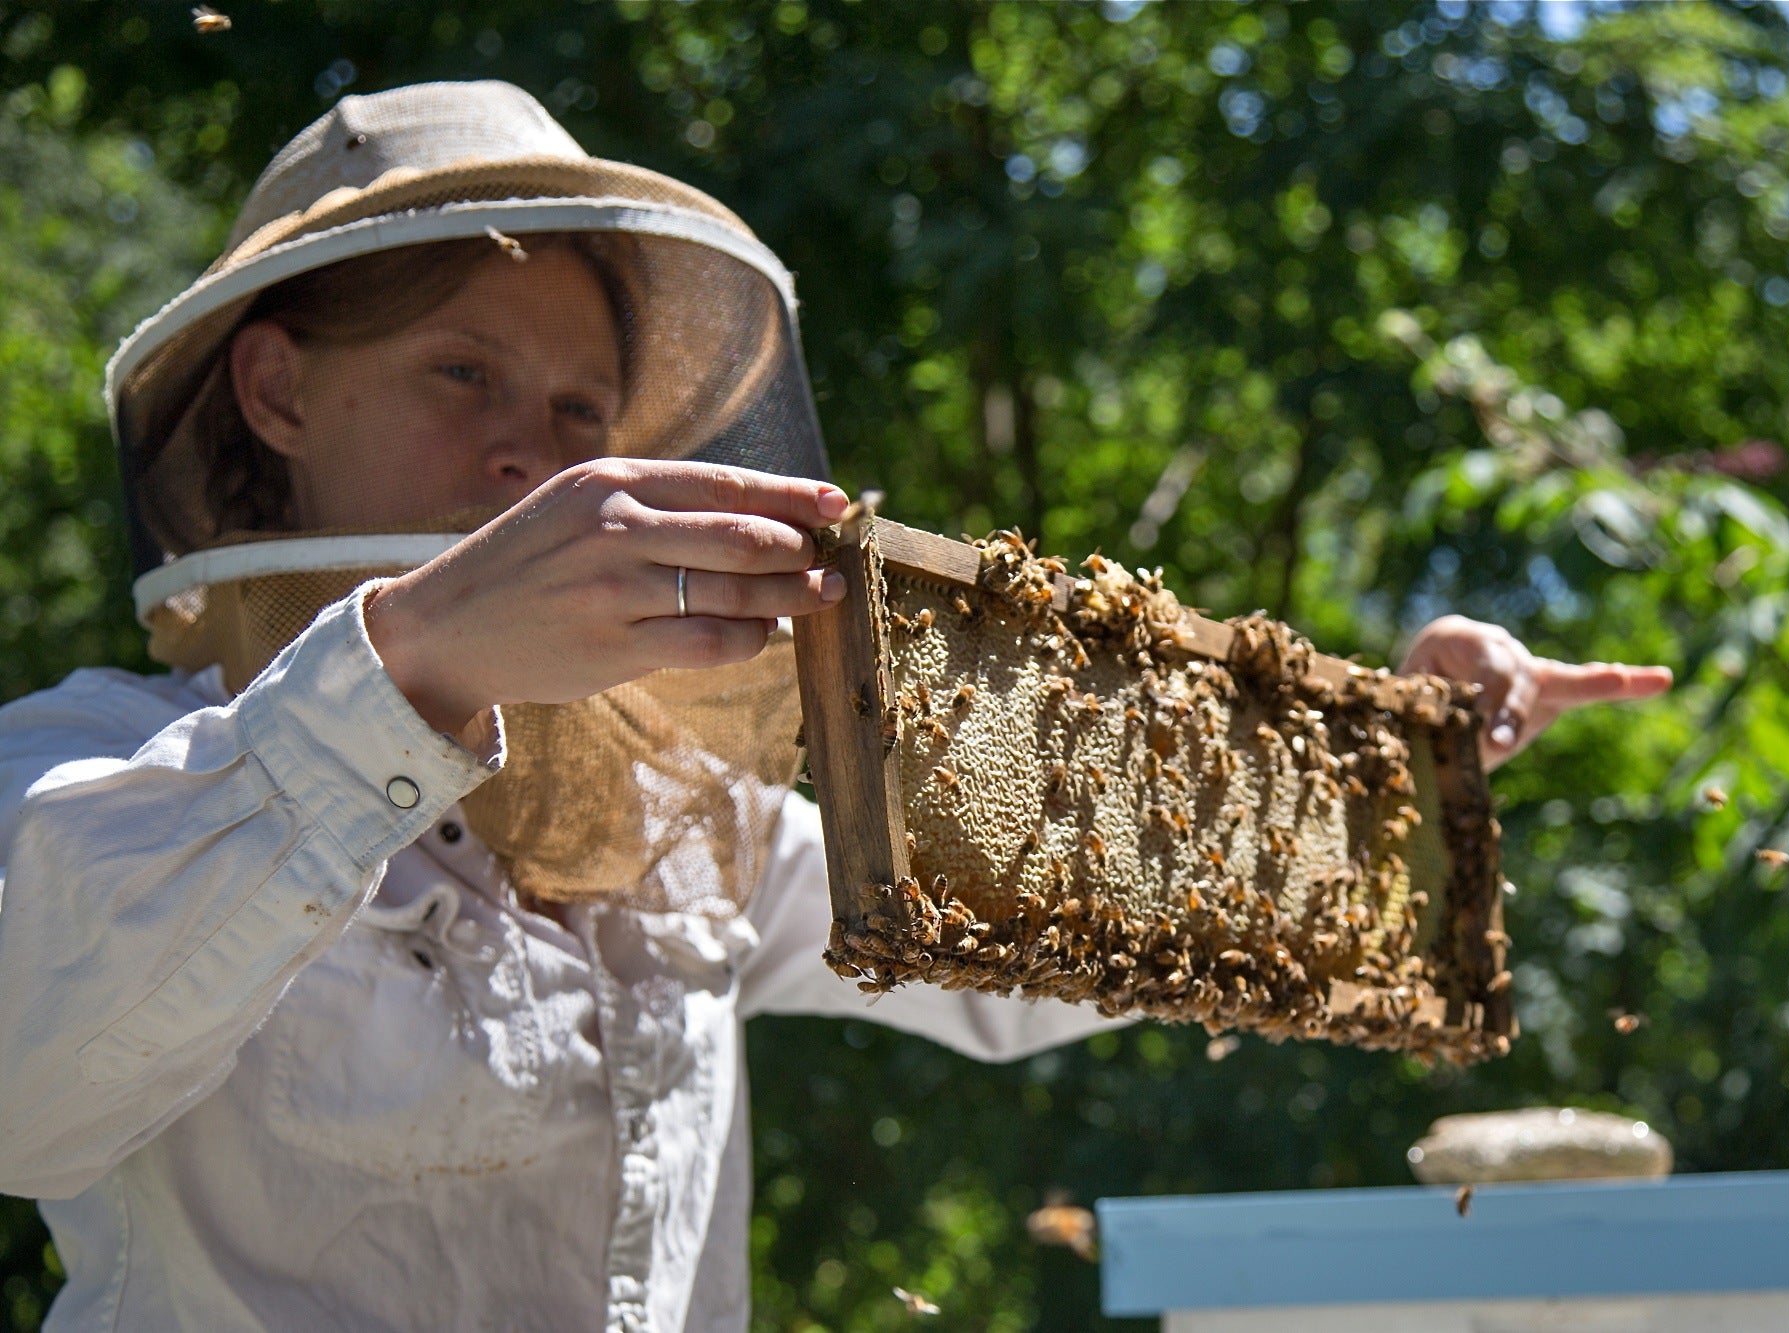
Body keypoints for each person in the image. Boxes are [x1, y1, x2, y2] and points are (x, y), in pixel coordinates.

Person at [0, 82, 1670, 1332]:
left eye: (582, 408)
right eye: (463, 373)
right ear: (279, 388)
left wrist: (1397, 764)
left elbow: (1082, 910)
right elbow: (29, 1086)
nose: (535, 448)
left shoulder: (673, 824)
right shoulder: (88, 775)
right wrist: (414, 664)